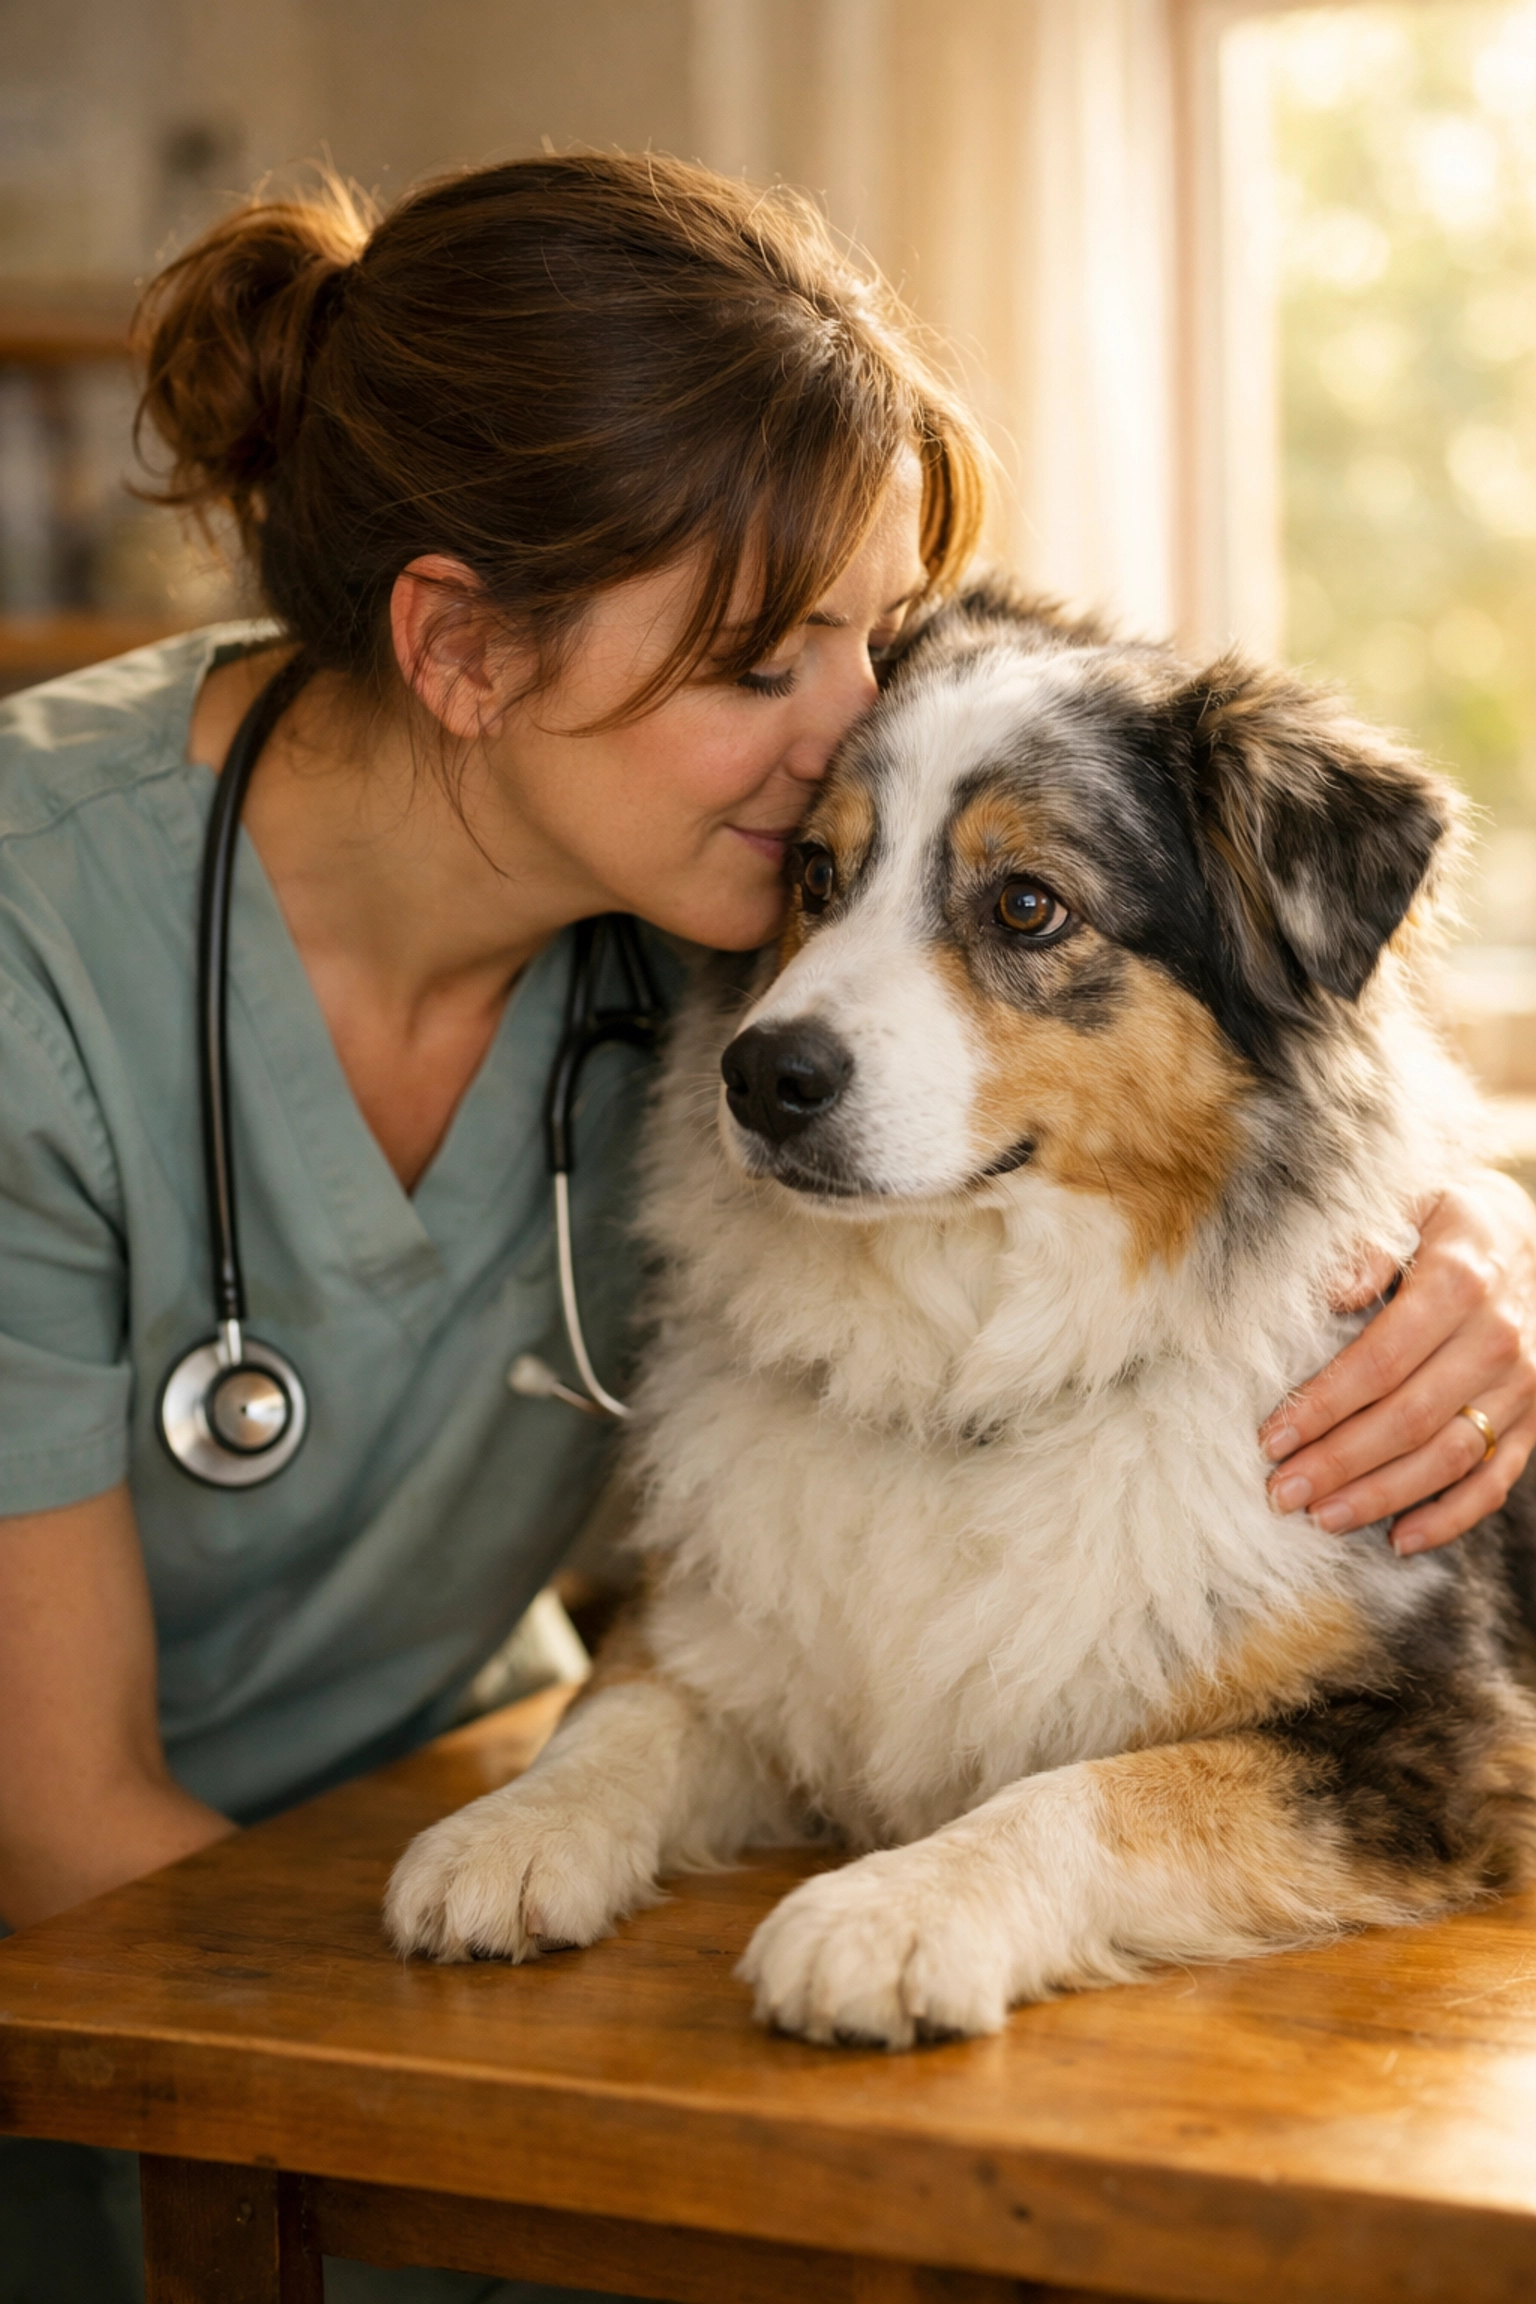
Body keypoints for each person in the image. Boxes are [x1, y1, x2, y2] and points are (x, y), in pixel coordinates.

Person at [0, 153, 1531, 2304]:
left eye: (874, 628)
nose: (856, 729)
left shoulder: (709, 875)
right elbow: (64, 1842)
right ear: (456, 647)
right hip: (139, 1995)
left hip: (465, 1822)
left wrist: (1482, 1236)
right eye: (762, 656)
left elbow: (1242, 986)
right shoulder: (38, 958)